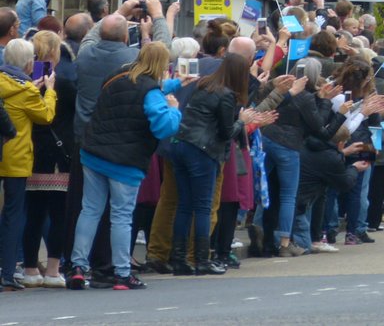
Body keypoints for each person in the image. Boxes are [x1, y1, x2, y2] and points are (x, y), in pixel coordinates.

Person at [68, 41, 182, 291]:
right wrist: (174, 109)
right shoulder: (152, 92)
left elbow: (138, 91)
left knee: (90, 210)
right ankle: (122, 273)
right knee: (121, 216)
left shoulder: (117, 76)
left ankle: (77, 266)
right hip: (126, 160)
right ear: (162, 65)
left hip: (94, 151)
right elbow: (164, 127)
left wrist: (177, 84)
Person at [168, 53, 252, 275]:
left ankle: (179, 259)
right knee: (203, 207)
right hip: (202, 150)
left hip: (181, 143)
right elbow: (226, 133)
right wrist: (242, 121)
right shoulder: (227, 95)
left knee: (184, 205)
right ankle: (202, 259)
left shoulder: (205, 85)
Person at [0, 38, 57, 290]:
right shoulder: (27, 92)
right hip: (16, 157)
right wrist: (50, 90)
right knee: (13, 215)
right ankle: (7, 271)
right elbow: (46, 115)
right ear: (27, 63)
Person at [22, 30, 75, 288]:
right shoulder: (63, 82)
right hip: (58, 155)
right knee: (58, 214)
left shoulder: (26, 82)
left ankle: (30, 268)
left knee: (33, 215)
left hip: (32, 152)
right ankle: (53, 269)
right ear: (55, 51)